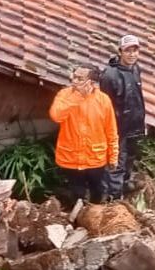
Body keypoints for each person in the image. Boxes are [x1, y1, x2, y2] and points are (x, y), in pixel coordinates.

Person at [50, 64, 118, 205]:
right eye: (74, 76)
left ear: (92, 83)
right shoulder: (64, 94)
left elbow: (111, 130)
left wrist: (113, 156)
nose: (74, 81)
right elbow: (56, 116)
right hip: (71, 158)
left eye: (79, 78)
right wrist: (77, 97)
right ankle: (75, 223)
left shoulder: (103, 100)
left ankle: (94, 220)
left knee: (98, 193)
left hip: (95, 159)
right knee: (77, 195)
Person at [100, 35, 146, 198]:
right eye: (128, 51)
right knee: (117, 161)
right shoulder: (110, 75)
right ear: (120, 52)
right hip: (118, 127)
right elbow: (105, 104)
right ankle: (114, 196)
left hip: (135, 124)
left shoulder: (135, 69)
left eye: (135, 50)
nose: (132, 54)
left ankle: (125, 185)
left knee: (130, 157)